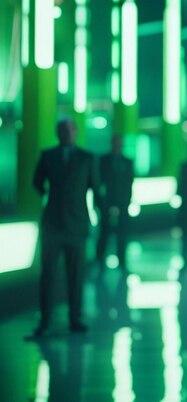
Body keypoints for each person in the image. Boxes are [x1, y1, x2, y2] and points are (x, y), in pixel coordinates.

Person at [31, 117, 99, 336]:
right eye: (63, 129)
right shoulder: (48, 156)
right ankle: (45, 320)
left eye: (71, 129)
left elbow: (95, 189)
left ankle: (75, 318)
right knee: (48, 275)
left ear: (77, 132)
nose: (67, 133)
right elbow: (37, 182)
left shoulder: (87, 158)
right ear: (57, 132)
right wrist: (49, 198)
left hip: (77, 225)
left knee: (76, 275)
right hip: (52, 224)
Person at [96, 134, 134, 272]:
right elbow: (98, 184)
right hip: (107, 203)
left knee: (122, 234)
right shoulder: (103, 161)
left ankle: (122, 261)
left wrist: (127, 202)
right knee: (104, 233)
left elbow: (129, 184)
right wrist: (101, 204)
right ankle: (99, 261)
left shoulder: (128, 162)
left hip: (123, 203)